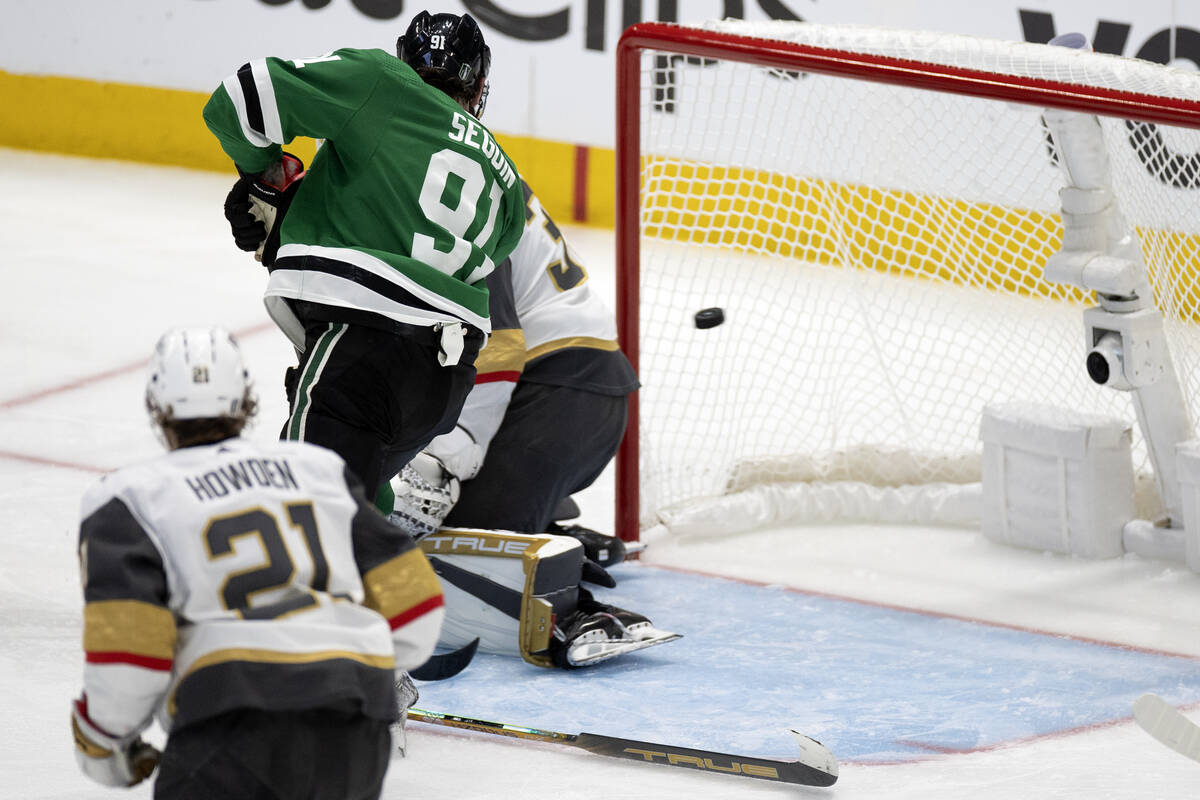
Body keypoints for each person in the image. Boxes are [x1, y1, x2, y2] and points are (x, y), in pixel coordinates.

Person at [69, 327, 445, 799]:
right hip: (352, 737)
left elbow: (130, 658)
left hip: (230, 731)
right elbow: (416, 609)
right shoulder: (317, 471)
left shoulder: (127, 500)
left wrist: (103, 750)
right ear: (246, 401)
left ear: (156, 408)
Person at [202, 10, 526, 511]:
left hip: (363, 347)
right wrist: (304, 212)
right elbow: (427, 238)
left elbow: (237, 100)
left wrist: (267, 176)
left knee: (307, 513)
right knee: (359, 505)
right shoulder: (507, 184)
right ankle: (390, 576)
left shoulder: (381, 82)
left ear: (405, 59)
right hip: (446, 379)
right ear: (478, 82)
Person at [390, 179, 638, 568]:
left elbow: (499, 344)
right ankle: (545, 528)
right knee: (432, 539)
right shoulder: (456, 161)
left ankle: (573, 606)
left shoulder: (454, 184)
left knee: (463, 561)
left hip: (563, 394)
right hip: (571, 385)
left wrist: (446, 462)